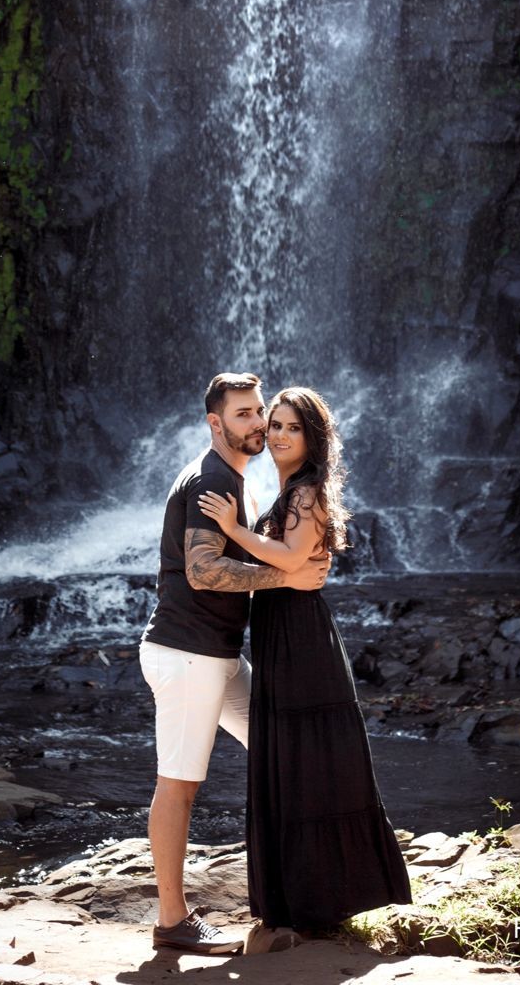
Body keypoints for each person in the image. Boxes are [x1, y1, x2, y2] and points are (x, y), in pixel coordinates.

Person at [198, 385, 411, 937]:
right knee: (295, 760)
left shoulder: (307, 491)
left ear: (313, 437)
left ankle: (319, 899)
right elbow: (290, 564)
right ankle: (305, 895)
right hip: (285, 633)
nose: (279, 435)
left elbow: (293, 559)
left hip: (299, 638)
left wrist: (232, 530)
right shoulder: (292, 489)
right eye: (275, 425)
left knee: (304, 757)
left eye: (293, 427)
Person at [139, 372, 331, 956]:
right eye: (243, 415)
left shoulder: (236, 479)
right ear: (215, 423)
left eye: (260, 413)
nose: (257, 425)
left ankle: (302, 890)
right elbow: (201, 569)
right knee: (179, 785)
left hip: (217, 656)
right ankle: (173, 921)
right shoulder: (211, 476)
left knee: (284, 752)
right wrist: (287, 574)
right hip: (187, 654)